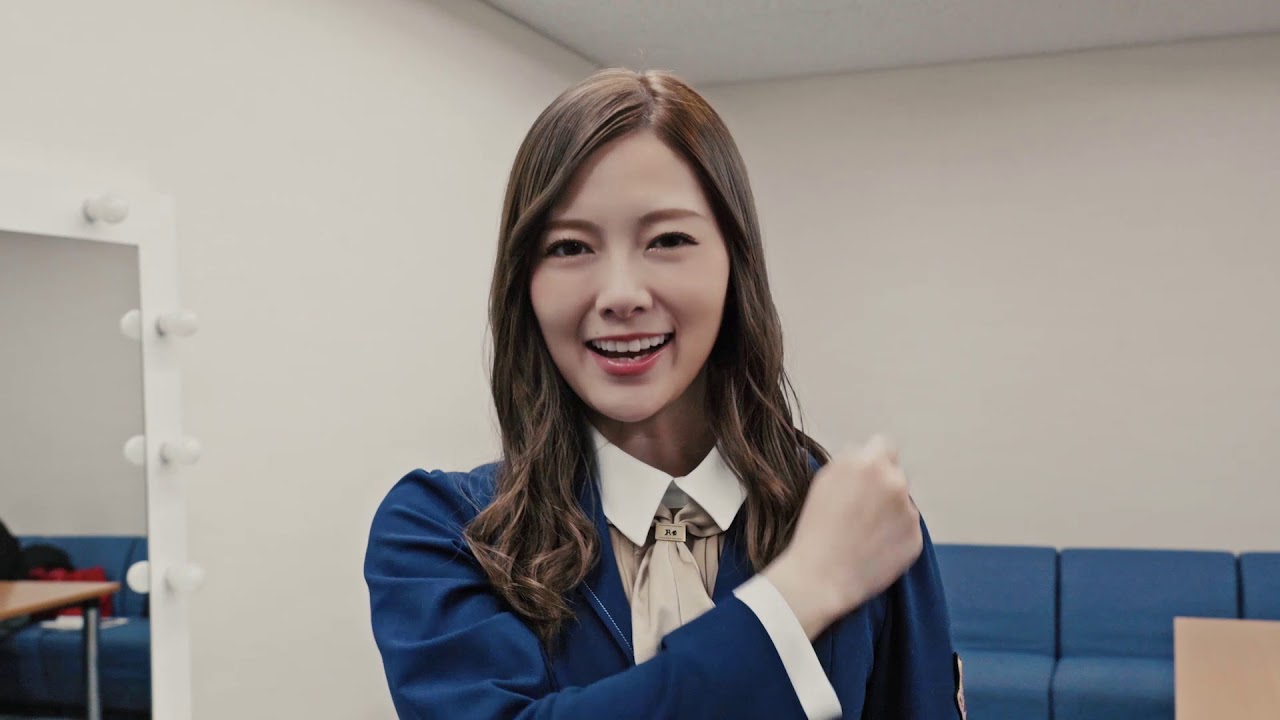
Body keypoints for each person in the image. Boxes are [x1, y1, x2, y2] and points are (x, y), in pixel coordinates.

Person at [365, 68, 963, 719]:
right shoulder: (448, 532)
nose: (621, 294)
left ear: (735, 263)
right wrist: (796, 598)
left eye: (669, 240)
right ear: (524, 284)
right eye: (569, 246)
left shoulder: (855, 518)